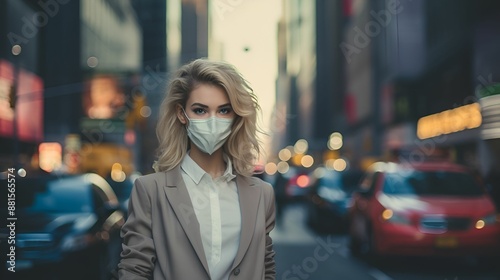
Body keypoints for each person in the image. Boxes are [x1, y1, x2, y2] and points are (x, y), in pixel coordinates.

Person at [117, 59, 276, 280]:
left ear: (235, 116)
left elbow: (265, 268)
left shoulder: (261, 194)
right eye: (200, 110)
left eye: (224, 110)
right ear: (182, 114)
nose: (213, 121)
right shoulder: (150, 191)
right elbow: (135, 270)